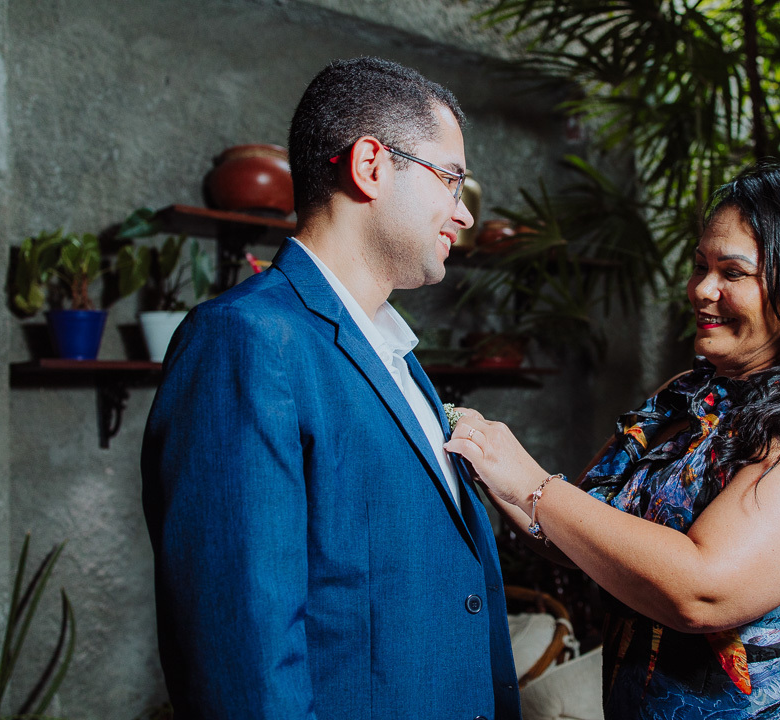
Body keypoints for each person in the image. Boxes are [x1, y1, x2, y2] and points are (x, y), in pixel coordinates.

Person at [142, 57, 521, 719]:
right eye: (451, 179)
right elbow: (243, 664)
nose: (462, 215)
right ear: (371, 165)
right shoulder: (245, 340)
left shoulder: (394, 352)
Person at [447, 164, 780, 719]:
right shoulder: (684, 395)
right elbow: (575, 534)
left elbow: (704, 592)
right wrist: (483, 460)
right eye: (701, 266)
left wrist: (531, 483)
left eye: (733, 272)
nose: (702, 290)